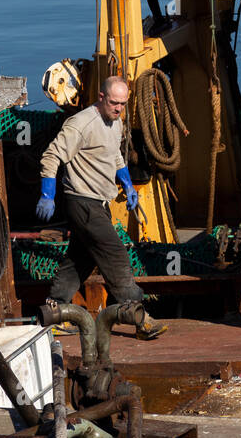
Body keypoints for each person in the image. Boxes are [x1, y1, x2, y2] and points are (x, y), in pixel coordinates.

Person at [37, 75, 165, 339]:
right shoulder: (81, 124)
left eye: (123, 103)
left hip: (100, 201)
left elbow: (114, 154)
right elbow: (52, 155)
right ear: (101, 97)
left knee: (79, 261)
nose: (119, 108)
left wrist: (127, 184)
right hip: (82, 201)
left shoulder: (115, 122)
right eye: (114, 103)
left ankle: (53, 314)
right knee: (116, 255)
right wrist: (47, 194)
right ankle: (140, 318)